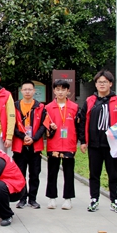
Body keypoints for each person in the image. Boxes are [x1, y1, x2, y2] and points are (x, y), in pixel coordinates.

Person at [77, 70, 117, 214]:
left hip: (112, 146)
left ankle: (115, 201)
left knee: (113, 174)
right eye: (99, 82)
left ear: (110, 84)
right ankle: (94, 199)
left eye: (105, 82)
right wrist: (83, 141)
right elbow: (82, 121)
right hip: (94, 145)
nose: (102, 84)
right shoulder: (90, 101)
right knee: (94, 174)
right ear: (96, 84)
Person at [12, 81, 47, 209]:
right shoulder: (15, 106)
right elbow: (12, 125)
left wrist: (34, 138)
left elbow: (44, 125)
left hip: (35, 146)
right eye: (25, 89)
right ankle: (22, 199)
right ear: (21, 91)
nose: (27, 91)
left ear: (34, 91)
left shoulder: (40, 107)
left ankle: (33, 199)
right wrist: (23, 136)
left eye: (30, 89)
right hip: (19, 146)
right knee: (20, 174)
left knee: (34, 174)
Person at [45, 79, 79, 210]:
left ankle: (68, 199)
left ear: (68, 91)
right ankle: (51, 198)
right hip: (54, 144)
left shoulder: (74, 107)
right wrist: (50, 127)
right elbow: (44, 126)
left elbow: (78, 126)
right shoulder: (48, 108)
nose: (60, 92)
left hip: (69, 144)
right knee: (52, 172)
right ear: (54, 91)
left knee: (69, 173)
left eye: (63, 89)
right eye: (58, 89)